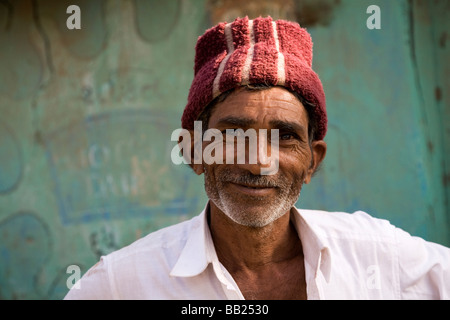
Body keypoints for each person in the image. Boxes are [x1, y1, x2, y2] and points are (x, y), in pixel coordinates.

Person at [65, 16, 450, 300]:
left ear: (312, 162)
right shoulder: (122, 284)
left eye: (284, 137)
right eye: (233, 135)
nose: (257, 163)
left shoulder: (379, 256)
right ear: (195, 151)